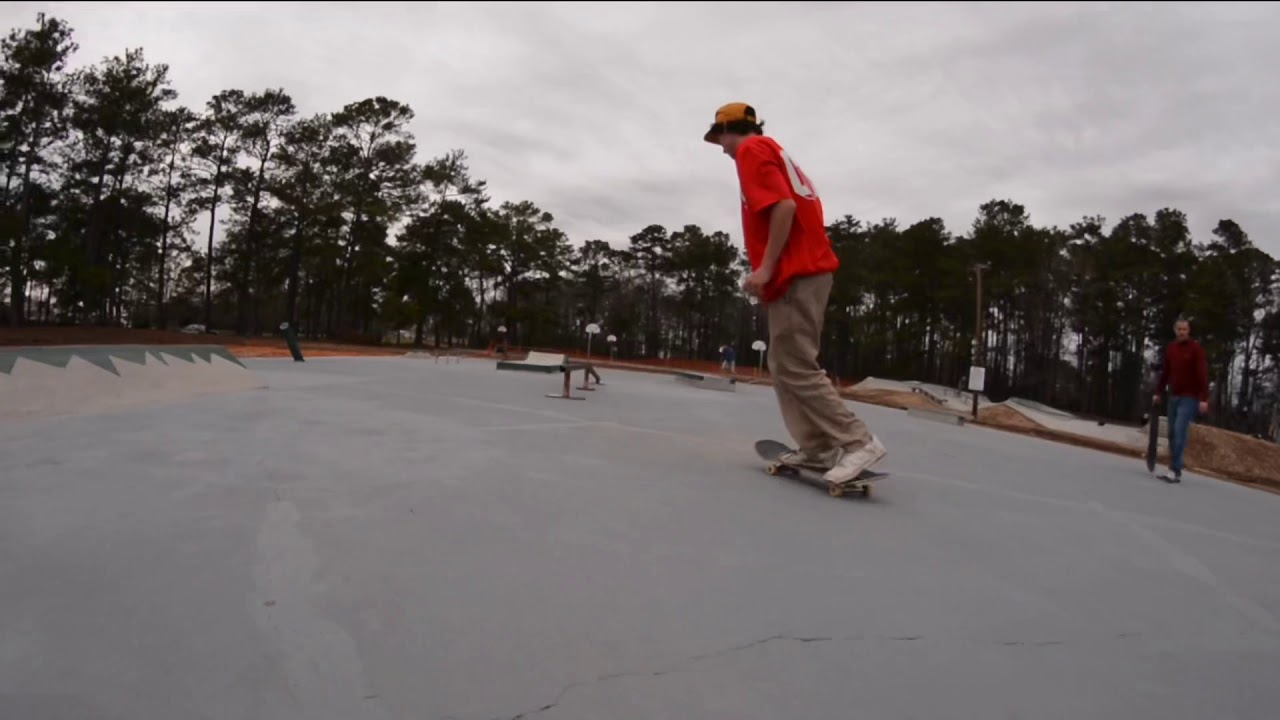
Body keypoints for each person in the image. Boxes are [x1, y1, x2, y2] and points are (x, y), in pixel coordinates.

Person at [703, 102, 886, 483]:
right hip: (801, 272)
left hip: (798, 273)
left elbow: (783, 207)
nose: (720, 149)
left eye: (719, 139)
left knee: (796, 363)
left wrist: (766, 267)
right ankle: (817, 448)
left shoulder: (751, 150)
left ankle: (857, 441)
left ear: (728, 131)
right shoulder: (771, 151)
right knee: (784, 364)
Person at [1153, 318, 1210, 482]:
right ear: (1175, 330)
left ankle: (1173, 470)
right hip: (1174, 396)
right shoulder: (1171, 349)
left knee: (1179, 431)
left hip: (1190, 398)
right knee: (1171, 433)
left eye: (1185, 329)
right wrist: (1158, 392)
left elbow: (1202, 374)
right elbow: (1166, 372)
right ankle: (1176, 469)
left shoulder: (1196, 349)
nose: (1182, 332)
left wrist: (1204, 398)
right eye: (1179, 329)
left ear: (1189, 330)